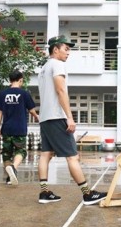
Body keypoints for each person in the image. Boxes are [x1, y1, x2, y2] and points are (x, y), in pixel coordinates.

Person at [37, 35, 107, 205]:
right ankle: (87, 194)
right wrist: (69, 117)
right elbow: (61, 91)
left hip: (45, 118)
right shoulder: (58, 64)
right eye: (66, 49)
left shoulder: (44, 68)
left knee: (46, 154)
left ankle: (45, 192)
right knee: (72, 157)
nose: (69, 52)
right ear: (55, 49)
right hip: (57, 117)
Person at [0, 70, 39, 185]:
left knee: (6, 154)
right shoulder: (24, 94)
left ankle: (10, 178)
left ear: (10, 80)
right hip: (19, 128)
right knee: (21, 151)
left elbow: (0, 112)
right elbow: (31, 110)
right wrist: (37, 117)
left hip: (6, 128)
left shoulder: (2, 94)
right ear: (20, 80)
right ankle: (14, 168)